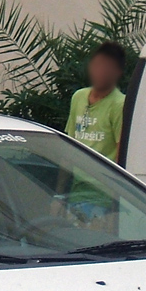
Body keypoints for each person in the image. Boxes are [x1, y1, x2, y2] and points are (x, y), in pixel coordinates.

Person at [63, 43, 127, 226]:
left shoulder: (119, 104)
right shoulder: (79, 97)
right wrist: (57, 194)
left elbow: (120, 156)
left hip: (102, 195)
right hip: (74, 191)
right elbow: (69, 146)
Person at [64, 41, 127, 162]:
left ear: (118, 72)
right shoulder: (78, 96)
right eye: (97, 65)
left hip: (102, 179)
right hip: (77, 177)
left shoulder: (120, 104)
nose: (100, 72)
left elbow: (121, 152)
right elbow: (70, 142)